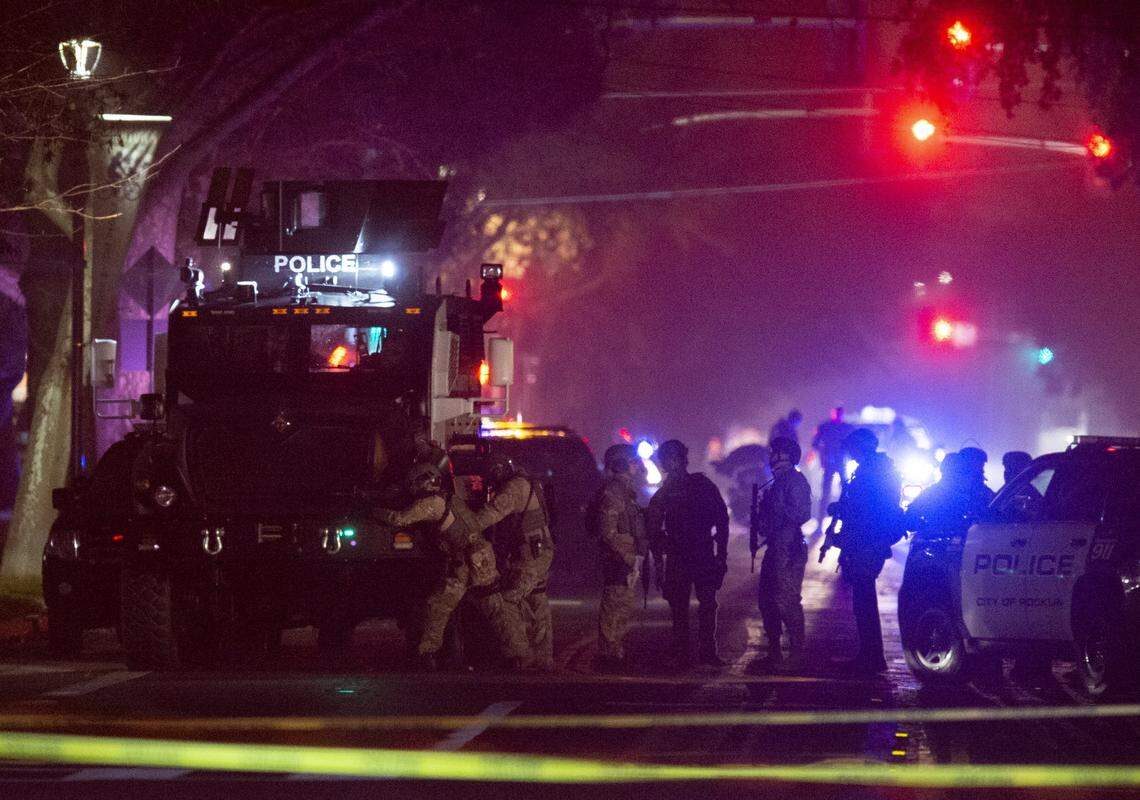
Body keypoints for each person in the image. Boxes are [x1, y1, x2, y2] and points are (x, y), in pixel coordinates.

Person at [376, 463, 530, 671]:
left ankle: (427, 654)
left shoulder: (432, 503)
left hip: (465, 562)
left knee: (438, 605)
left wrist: (374, 510)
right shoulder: (450, 498)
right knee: (496, 608)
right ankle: (518, 655)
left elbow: (399, 519)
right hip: (482, 556)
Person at [819, 428, 902, 675]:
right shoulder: (874, 469)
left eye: (853, 447)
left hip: (868, 541)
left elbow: (866, 510)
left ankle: (872, 657)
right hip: (868, 540)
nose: (849, 452)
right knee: (863, 600)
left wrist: (842, 510)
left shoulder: (872, 472)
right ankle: (870, 654)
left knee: (864, 600)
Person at [646, 439, 730, 668]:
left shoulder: (693, 486)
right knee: (685, 606)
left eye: (667, 459)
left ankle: (700, 652)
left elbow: (722, 520)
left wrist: (721, 555)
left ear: (676, 460)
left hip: (696, 553)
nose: (665, 464)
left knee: (699, 605)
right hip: (688, 554)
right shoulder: (679, 490)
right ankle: (693, 652)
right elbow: (653, 530)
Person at [473, 453, 556, 671]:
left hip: (529, 557)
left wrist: (464, 527)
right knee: (537, 601)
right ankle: (544, 659)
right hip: (539, 554)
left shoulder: (513, 489)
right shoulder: (529, 482)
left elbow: (492, 513)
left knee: (506, 600)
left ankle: (520, 655)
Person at [755, 437, 813, 672]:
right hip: (776, 545)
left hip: (788, 547)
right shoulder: (777, 483)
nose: (771, 457)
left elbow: (801, 514)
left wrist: (776, 508)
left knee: (786, 599)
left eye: (775, 453)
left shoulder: (794, 481)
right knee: (766, 599)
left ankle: (796, 653)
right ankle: (774, 651)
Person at [594, 444, 648, 671]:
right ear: (623, 464)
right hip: (619, 559)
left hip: (626, 558)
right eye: (632, 461)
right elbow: (608, 533)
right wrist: (628, 558)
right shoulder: (614, 493)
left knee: (623, 606)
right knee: (614, 606)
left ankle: (614, 651)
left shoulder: (624, 491)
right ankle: (608, 653)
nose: (636, 465)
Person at [905, 452, 992, 538]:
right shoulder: (969, 494)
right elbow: (910, 521)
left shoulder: (930, 493)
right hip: (943, 545)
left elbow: (910, 520)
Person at [811, 406, 854, 526]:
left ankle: (843, 518)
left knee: (844, 491)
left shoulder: (830, 427)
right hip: (833, 462)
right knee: (831, 492)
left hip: (837, 462)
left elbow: (815, 444)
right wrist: (824, 455)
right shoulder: (829, 427)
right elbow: (815, 444)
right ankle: (822, 519)